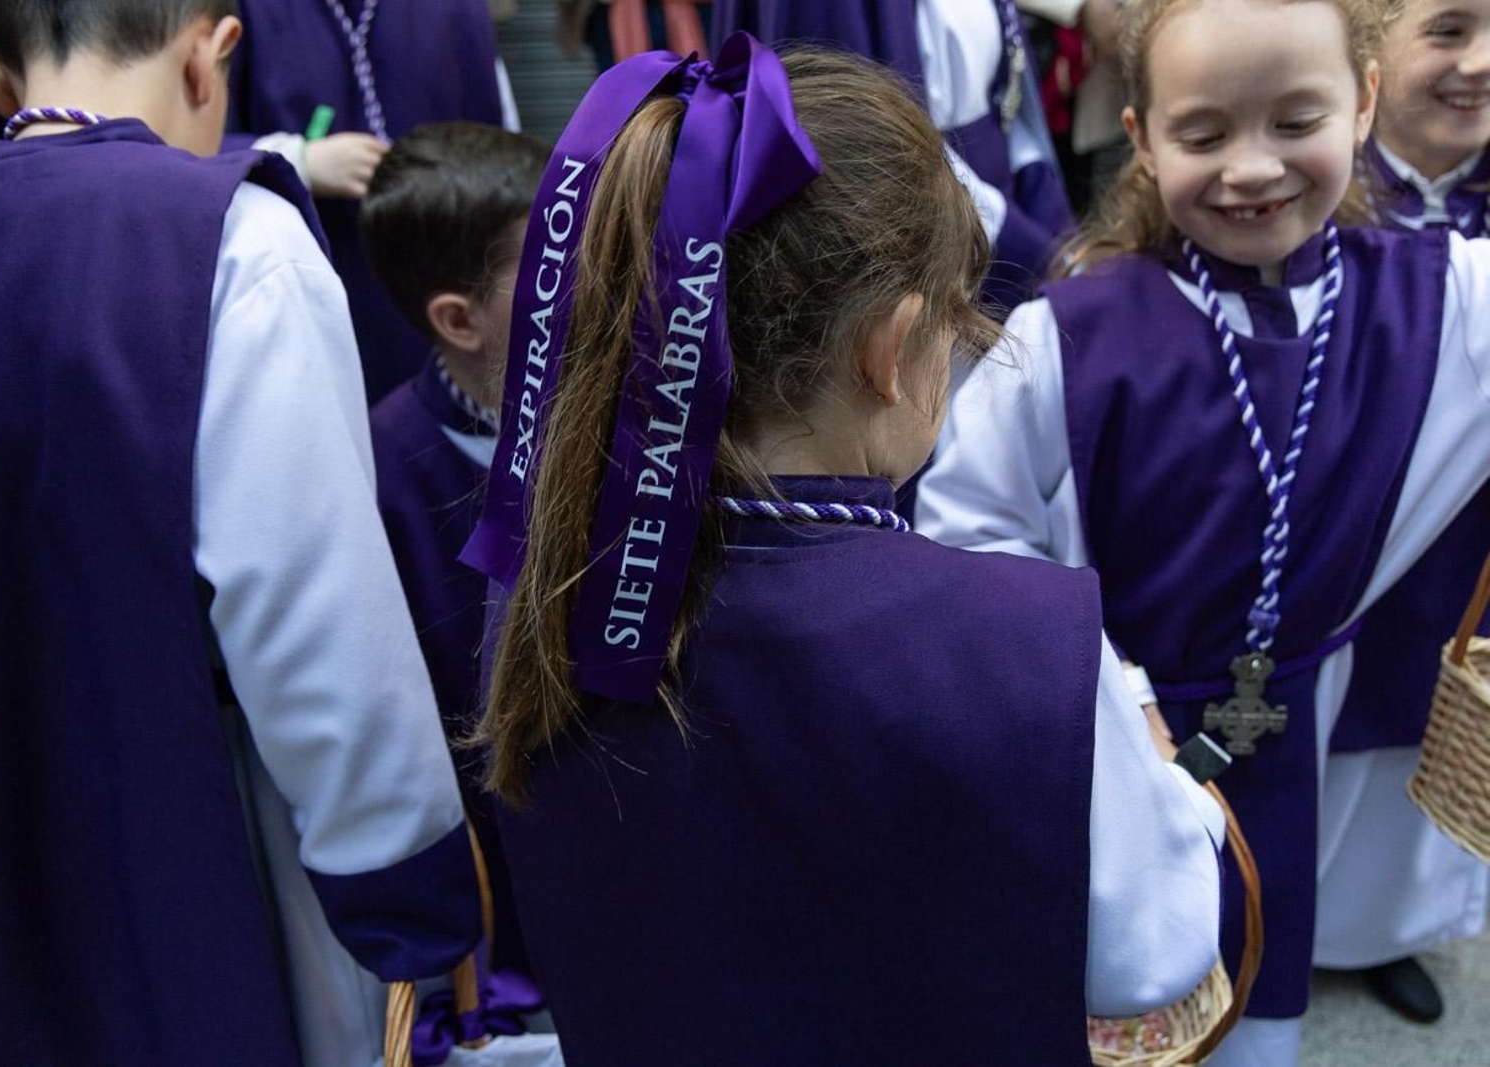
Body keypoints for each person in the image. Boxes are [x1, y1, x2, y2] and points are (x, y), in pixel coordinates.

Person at [461, 36, 1225, 1064]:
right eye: (955, 326)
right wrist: (1175, 792)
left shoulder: (544, 592)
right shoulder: (1026, 643)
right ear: (889, 346)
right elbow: (1150, 953)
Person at [0, 1, 482, 1062]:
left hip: (16, 823)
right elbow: (314, 613)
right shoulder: (235, 237)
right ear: (213, 58)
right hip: (215, 818)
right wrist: (407, 873)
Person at [915, 0, 1490, 1059]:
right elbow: (970, 540)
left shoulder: (1447, 303)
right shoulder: (1064, 341)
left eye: (1295, 121)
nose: (1252, 168)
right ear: (1141, 136)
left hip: (1294, 730)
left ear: (1363, 103)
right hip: (1117, 746)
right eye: (1204, 132)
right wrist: (1111, 692)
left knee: (1253, 1016)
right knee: (1112, 1009)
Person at [1312, 0, 1490, 1024]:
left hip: (1464, 550)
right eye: (1448, 31)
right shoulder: (1316, 187)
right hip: (1342, 529)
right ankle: (1282, 913)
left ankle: (1382, 929)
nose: (1479, 63)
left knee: (1423, 731)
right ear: (1372, 53)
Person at [361, 120, 549, 983]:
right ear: (458, 320)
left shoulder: (636, 407)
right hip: (506, 901)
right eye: (554, 268)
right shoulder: (384, 476)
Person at [227, 0, 519, 403]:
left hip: (443, 268)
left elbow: (496, 135)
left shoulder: (457, 9)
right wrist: (299, 159)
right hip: (313, 266)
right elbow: (184, 144)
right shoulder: (246, 11)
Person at [712, 0, 1076, 312]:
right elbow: (854, 146)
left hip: (1002, 215)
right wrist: (1021, 247)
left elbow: (1007, 95)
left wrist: (1046, 213)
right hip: (934, 242)